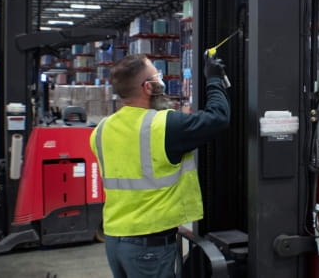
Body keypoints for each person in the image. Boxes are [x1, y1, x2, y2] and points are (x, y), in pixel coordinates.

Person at [89, 53, 230, 278]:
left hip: (115, 240)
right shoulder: (164, 126)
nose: (161, 82)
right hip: (148, 245)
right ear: (148, 87)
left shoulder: (101, 130)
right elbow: (218, 118)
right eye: (158, 76)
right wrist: (214, 80)